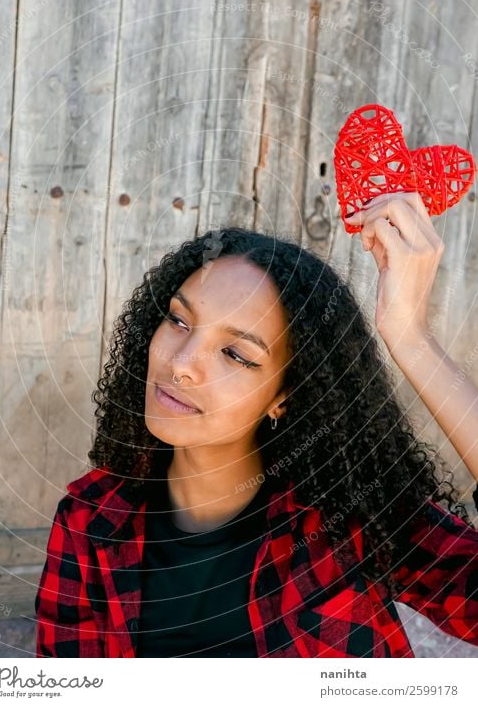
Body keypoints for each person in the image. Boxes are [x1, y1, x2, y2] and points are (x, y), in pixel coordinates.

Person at [35, 191, 478, 657]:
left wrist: (411, 338)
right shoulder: (90, 519)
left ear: (283, 396)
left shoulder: (348, 516)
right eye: (179, 320)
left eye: (235, 353)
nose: (182, 364)